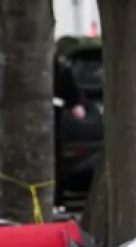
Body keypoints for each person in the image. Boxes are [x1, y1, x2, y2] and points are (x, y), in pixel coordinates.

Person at [53, 55, 86, 212]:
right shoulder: (60, 67)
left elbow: (73, 91)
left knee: (58, 160)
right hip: (55, 115)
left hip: (58, 116)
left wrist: (76, 103)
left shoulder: (61, 68)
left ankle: (58, 199)